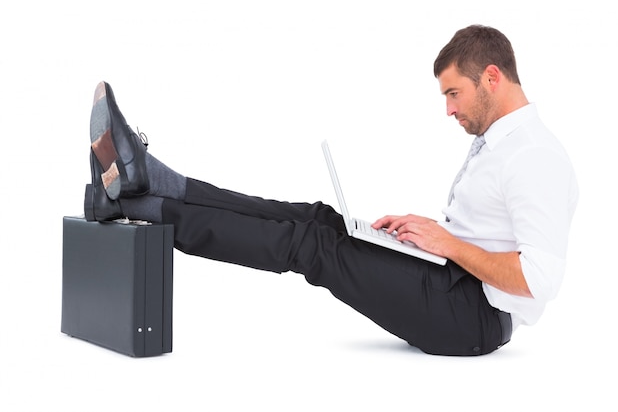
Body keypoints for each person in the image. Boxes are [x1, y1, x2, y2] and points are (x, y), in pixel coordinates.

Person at [84, 25, 578, 356]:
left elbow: (539, 281)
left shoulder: (536, 156)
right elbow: (487, 234)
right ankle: (153, 181)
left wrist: (447, 243)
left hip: (472, 319)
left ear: (491, 78)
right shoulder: (501, 143)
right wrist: (428, 232)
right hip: (451, 279)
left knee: (311, 247)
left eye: (454, 93)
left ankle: (145, 205)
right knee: (320, 219)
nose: (448, 109)